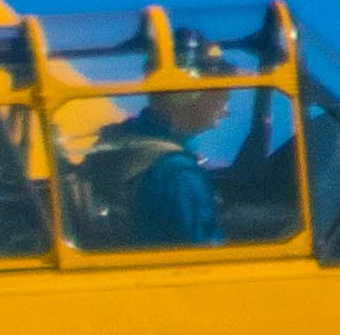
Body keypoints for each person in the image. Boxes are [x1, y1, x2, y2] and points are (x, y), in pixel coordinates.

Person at [69, 86, 230, 248]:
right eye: (222, 98)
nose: (225, 111)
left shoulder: (120, 138)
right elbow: (203, 249)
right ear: (184, 100)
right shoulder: (178, 173)